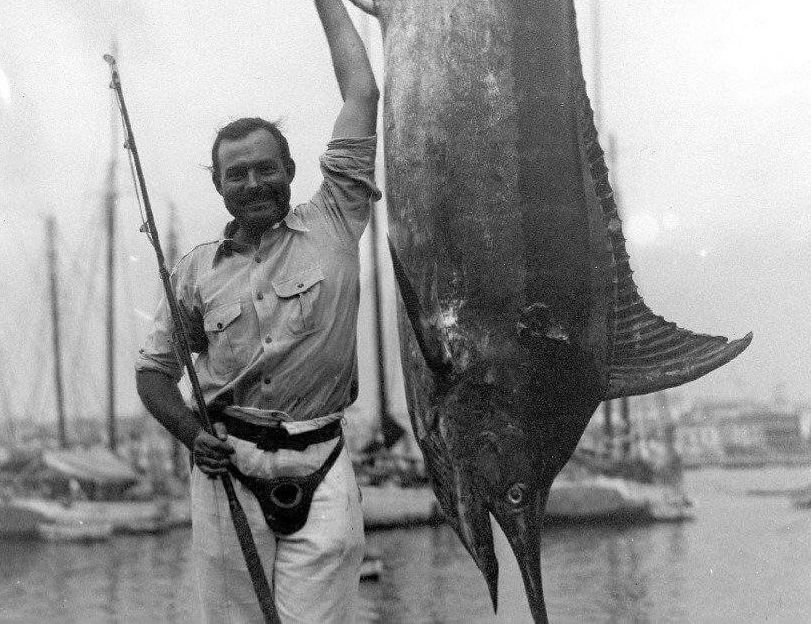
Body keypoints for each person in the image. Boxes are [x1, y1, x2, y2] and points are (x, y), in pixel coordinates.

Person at [134, 0, 380, 620]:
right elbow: (153, 373)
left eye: (265, 169)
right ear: (218, 185)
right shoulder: (192, 271)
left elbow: (362, 93)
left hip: (320, 460)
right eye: (235, 174)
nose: (252, 184)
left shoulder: (335, 218)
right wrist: (192, 435)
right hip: (226, 472)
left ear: (293, 171)